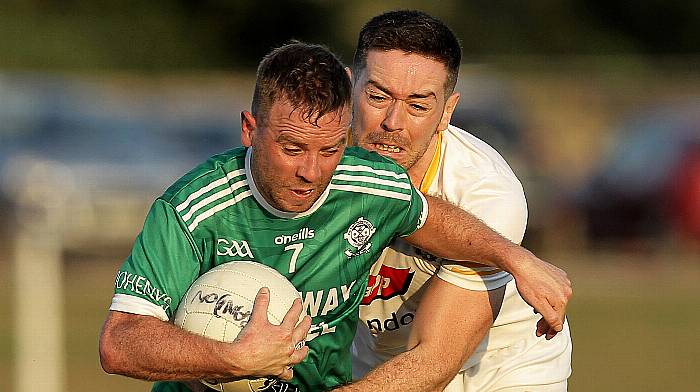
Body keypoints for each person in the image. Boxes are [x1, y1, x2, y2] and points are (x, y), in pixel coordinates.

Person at [99, 42, 571, 392]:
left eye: (328, 150)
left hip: (498, 366)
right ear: (249, 130)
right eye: (291, 148)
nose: (311, 171)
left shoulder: (369, 179)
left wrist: (515, 257)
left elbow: (433, 220)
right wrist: (233, 358)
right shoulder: (191, 210)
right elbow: (119, 342)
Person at [343, 10, 572, 392]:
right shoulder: (316, 162)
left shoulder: (487, 193)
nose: (393, 122)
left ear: (447, 111)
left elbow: (434, 361)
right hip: (377, 363)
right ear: (349, 88)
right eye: (378, 96)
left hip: (502, 368)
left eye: (418, 105)